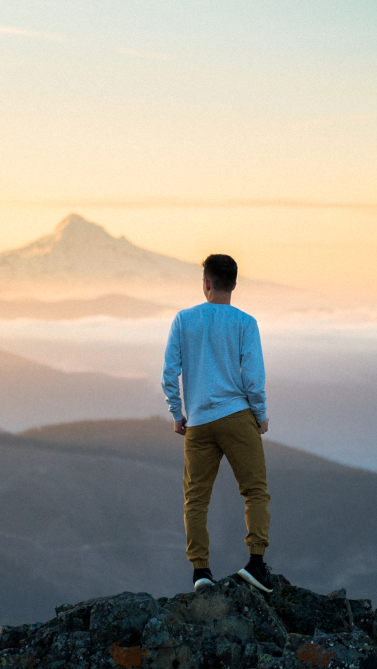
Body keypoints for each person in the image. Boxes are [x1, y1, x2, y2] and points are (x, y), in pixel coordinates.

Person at [161, 254, 274, 593]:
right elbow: (253, 378)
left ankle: (200, 572)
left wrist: (177, 413)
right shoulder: (245, 323)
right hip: (237, 416)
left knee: (196, 499)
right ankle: (255, 563)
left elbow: (169, 374)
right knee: (255, 490)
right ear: (234, 284)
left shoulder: (184, 320)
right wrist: (261, 414)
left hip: (197, 422)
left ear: (206, 282)